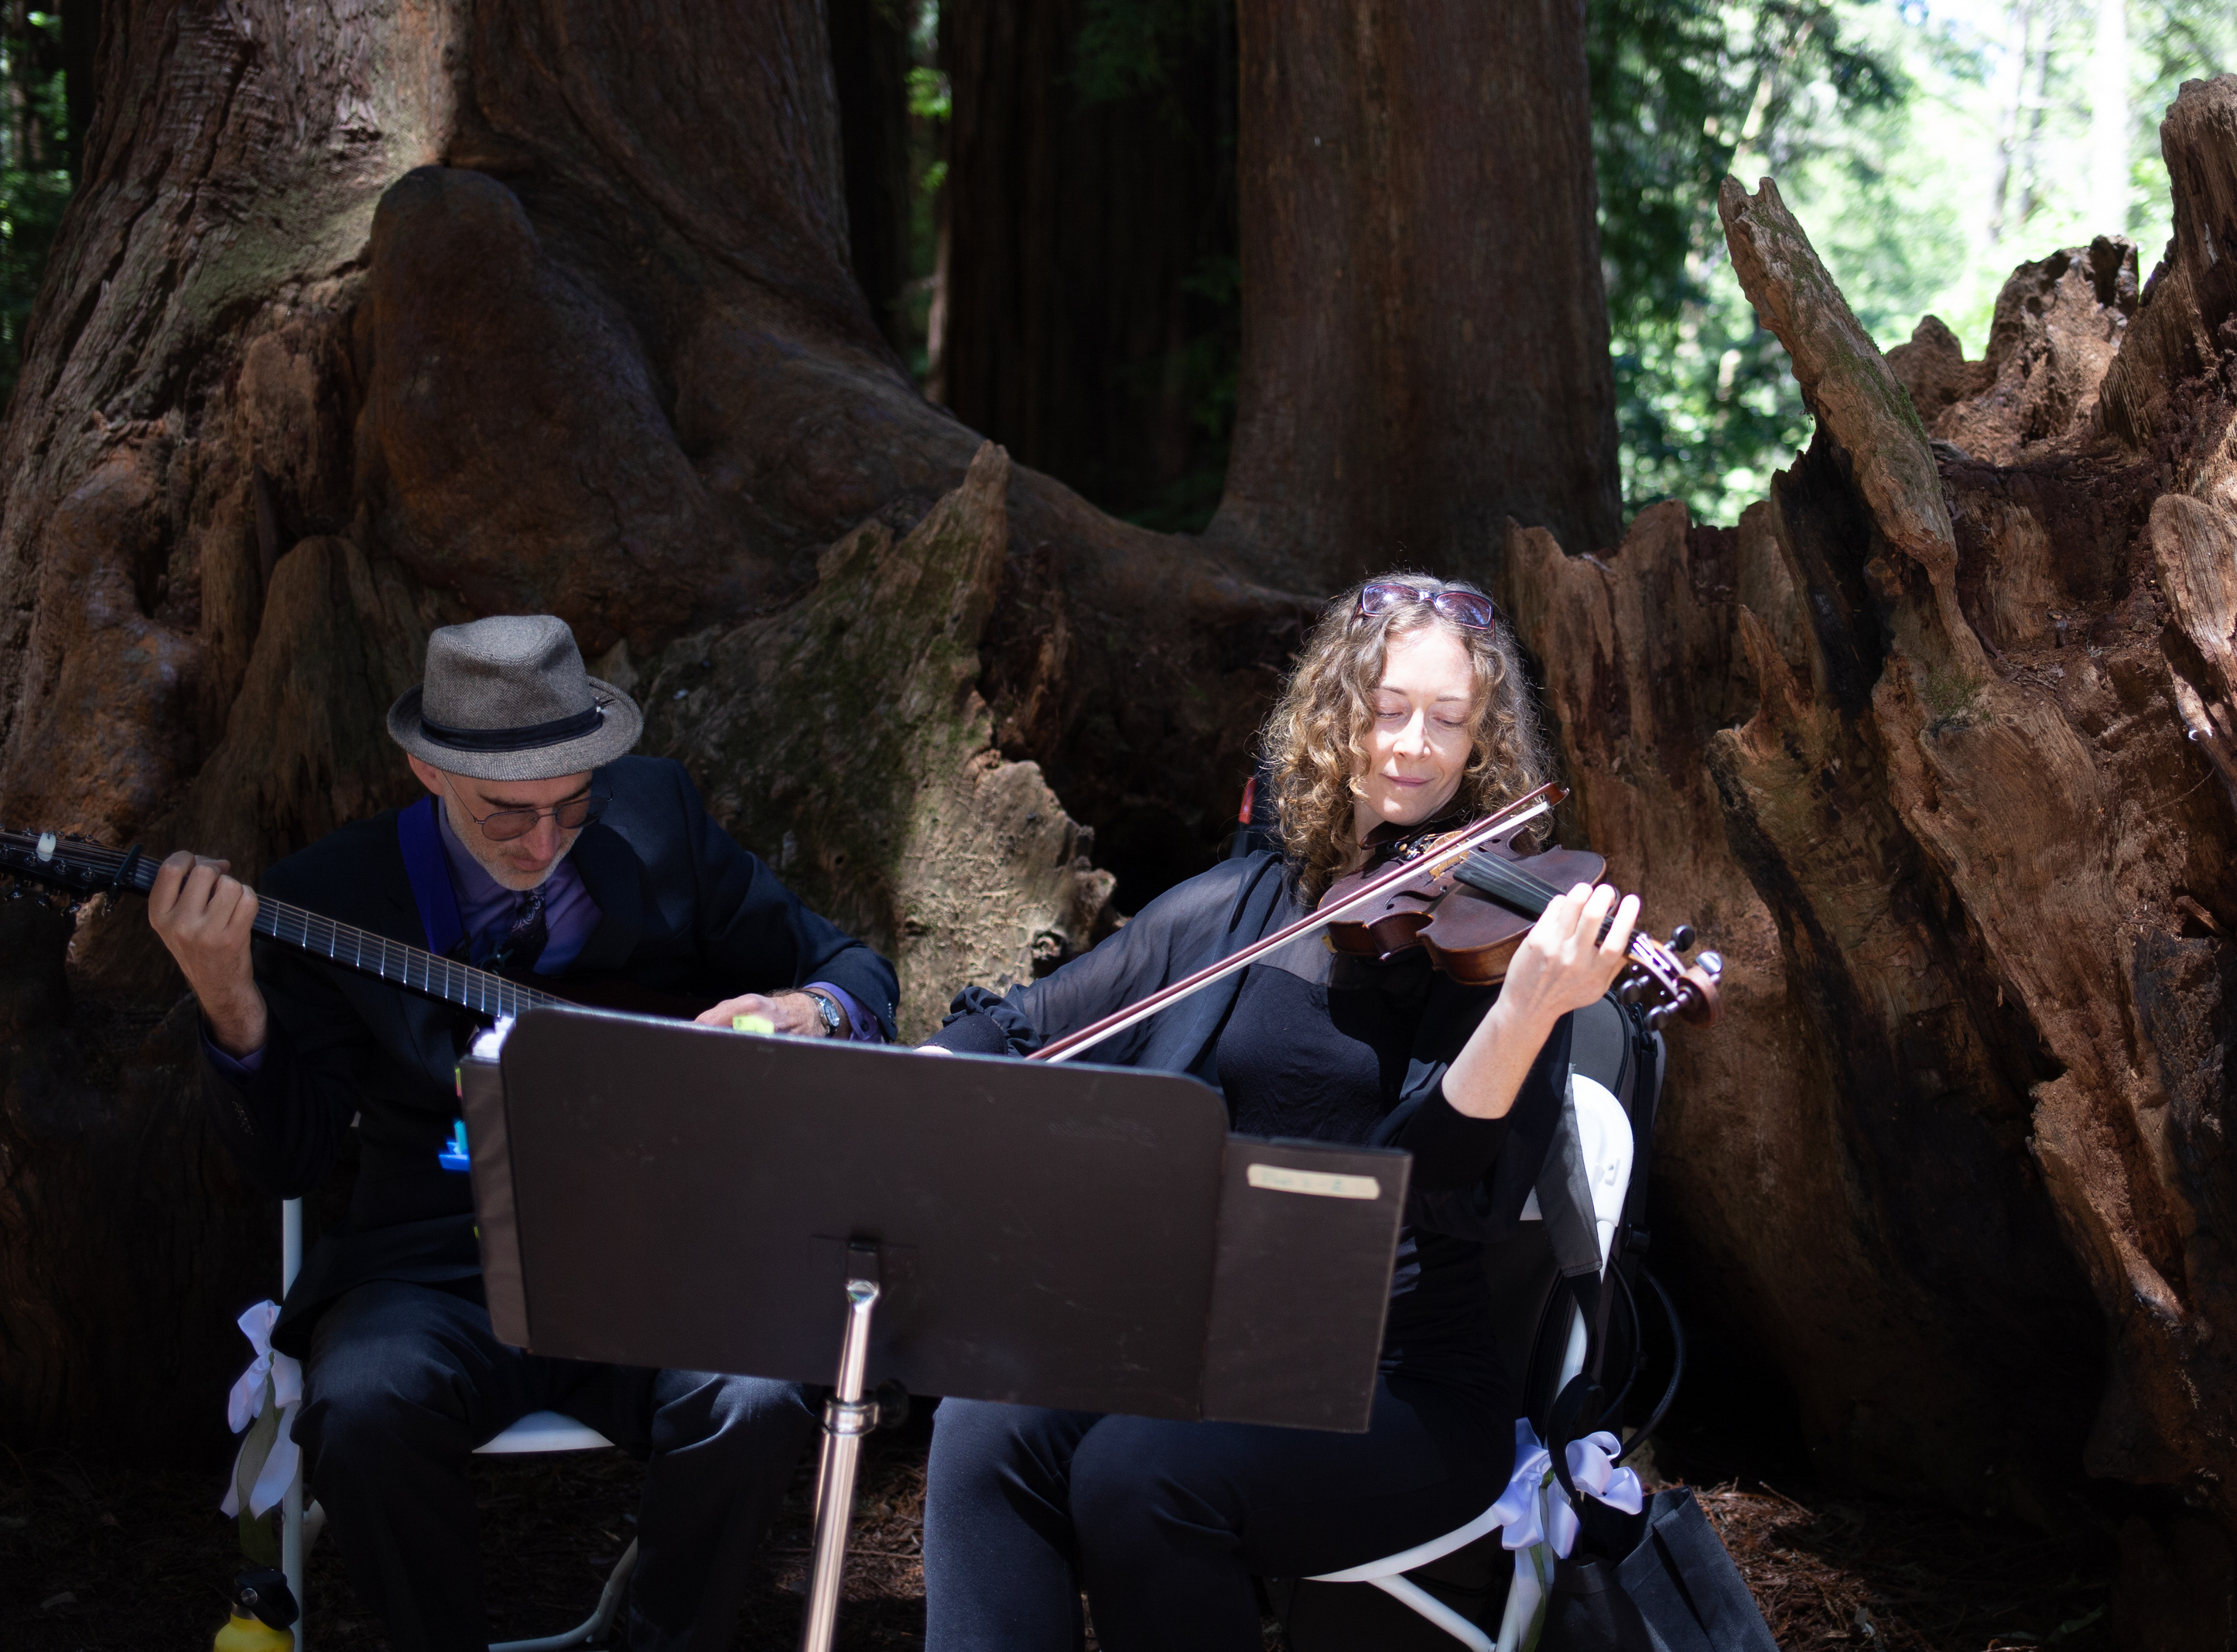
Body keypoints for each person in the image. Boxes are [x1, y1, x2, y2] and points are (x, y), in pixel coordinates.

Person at [147, 613, 900, 1652]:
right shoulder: (333, 896)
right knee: (363, 1410)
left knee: (759, 1399)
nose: (544, 845)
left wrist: (799, 1014)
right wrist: (231, 1003)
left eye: (569, 804)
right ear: (427, 770)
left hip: (655, 1259)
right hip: (432, 1270)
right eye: (508, 813)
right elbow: (288, 1158)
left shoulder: (657, 821)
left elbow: (855, 973)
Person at [918, 573, 1638, 1650]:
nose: (1413, 745)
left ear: (1483, 743)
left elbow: (1433, 1184)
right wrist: (909, 1067)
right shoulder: (1239, 906)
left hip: (1399, 1386)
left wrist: (1527, 1011)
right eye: (1388, 708)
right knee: (984, 1428)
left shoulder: (1492, 956)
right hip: (1202, 1339)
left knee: (1139, 1472)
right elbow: (1020, 1028)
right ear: (1335, 714)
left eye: (1449, 720)